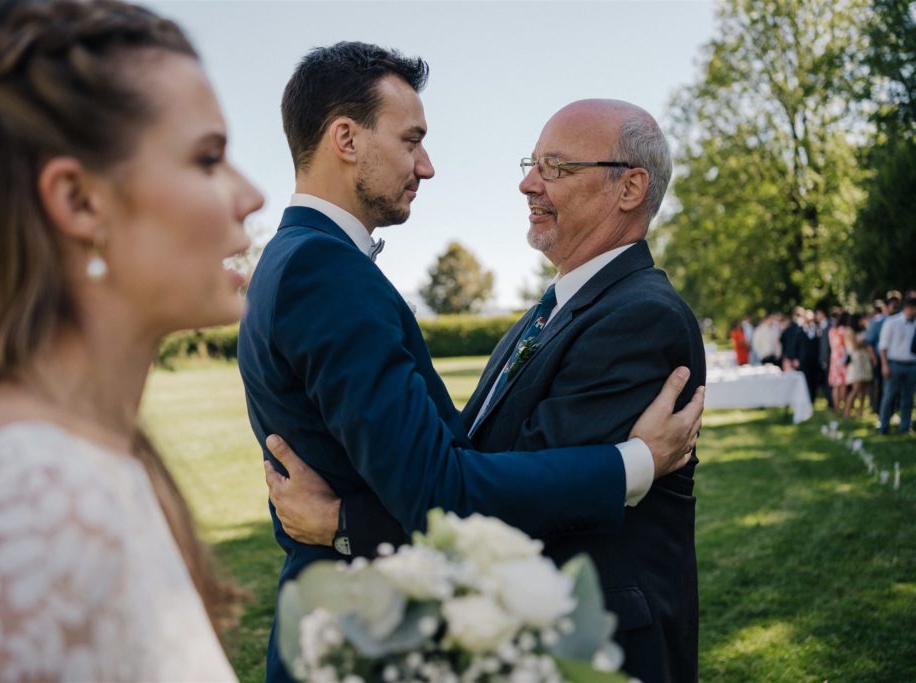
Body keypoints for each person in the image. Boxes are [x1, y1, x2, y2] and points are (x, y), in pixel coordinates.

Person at [237, 44, 705, 683]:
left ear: (630, 187)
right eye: (412, 141)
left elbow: (475, 484)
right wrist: (637, 462)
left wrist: (344, 523)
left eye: (556, 166)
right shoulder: (325, 270)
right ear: (345, 139)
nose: (526, 184)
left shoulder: (638, 315)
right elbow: (447, 484)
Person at [0, 0, 263, 679]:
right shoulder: (34, 501)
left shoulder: (72, 463)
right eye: (208, 157)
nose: (251, 194)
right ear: (80, 201)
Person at [877, 296, 916, 434]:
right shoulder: (892, 322)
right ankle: (883, 425)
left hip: (911, 365)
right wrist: (884, 365)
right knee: (889, 396)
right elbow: (883, 346)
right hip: (894, 363)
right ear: (908, 308)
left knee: (908, 398)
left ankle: (905, 426)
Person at [844, 313, 874, 418]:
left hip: (864, 359)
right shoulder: (849, 331)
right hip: (856, 360)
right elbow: (855, 346)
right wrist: (864, 341)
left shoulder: (862, 330)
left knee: (863, 388)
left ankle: (860, 411)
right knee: (855, 388)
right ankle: (847, 412)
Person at [828, 311, 850, 413]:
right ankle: (844, 406)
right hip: (842, 358)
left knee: (835, 385)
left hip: (834, 358)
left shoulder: (832, 330)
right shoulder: (844, 330)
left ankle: (837, 408)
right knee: (843, 384)